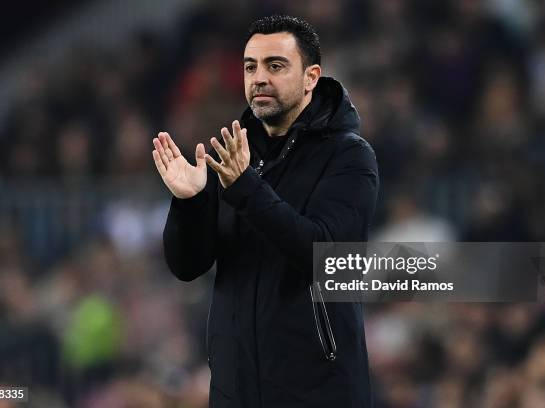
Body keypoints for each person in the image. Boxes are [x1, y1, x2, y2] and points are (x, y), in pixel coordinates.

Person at [152, 15, 379, 408]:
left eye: (275, 66)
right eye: (250, 67)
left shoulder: (348, 155)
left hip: (318, 392)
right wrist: (189, 202)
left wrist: (245, 189)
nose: (259, 78)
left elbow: (326, 256)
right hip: (235, 391)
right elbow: (187, 267)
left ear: (311, 77)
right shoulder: (234, 157)